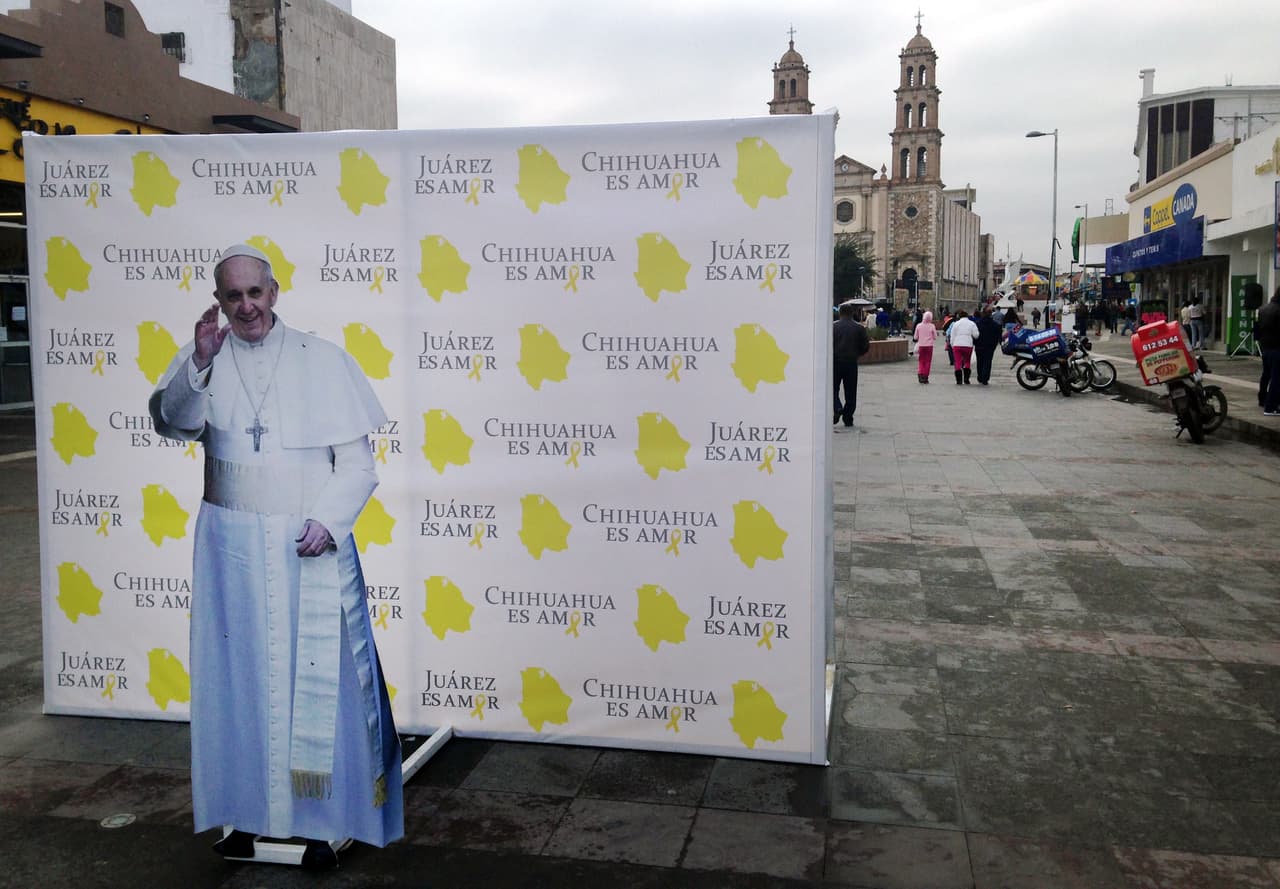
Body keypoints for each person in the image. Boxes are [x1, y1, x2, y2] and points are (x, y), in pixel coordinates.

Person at [149, 245, 403, 869]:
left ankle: (325, 820)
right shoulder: (203, 356)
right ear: (219, 300)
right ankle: (242, 815)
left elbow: (359, 465)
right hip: (229, 550)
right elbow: (170, 422)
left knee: (316, 682)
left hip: (305, 545)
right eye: (232, 296)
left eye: (254, 293)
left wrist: (329, 520)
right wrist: (200, 363)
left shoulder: (322, 359)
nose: (245, 307)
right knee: (235, 678)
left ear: (275, 291)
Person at [832, 303, 870, 427]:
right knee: (850, 391)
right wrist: (857, 354)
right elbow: (865, 346)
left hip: (835, 362)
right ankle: (848, 417)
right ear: (852, 313)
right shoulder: (859, 328)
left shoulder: (832, 327)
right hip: (851, 363)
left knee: (832, 389)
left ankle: (837, 407)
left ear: (840, 313)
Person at [1256, 286, 1280, 416]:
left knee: (1266, 375)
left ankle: (1262, 399)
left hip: (1266, 346)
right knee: (1277, 378)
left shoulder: (1263, 309)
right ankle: (1271, 407)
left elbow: (1258, 328)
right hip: (1277, 347)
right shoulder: (1278, 310)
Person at [946, 310, 979, 384]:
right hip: (968, 345)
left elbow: (952, 336)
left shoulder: (956, 324)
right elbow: (976, 335)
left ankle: (959, 379)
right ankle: (966, 379)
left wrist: (952, 345)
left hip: (957, 345)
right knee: (967, 361)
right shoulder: (972, 324)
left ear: (959, 316)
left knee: (957, 362)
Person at [973, 307, 1002, 385]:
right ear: (990, 314)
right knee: (987, 362)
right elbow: (998, 337)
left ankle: (980, 377)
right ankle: (985, 378)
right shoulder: (996, 325)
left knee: (980, 362)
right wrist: (994, 345)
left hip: (979, 346)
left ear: (983, 313)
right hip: (990, 347)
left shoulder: (977, 324)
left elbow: (974, 335)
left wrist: (975, 343)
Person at [912, 309, 938, 384]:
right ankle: (925, 377)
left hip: (921, 345)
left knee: (921, 361)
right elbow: (935, 337)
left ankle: (920, 374)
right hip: (929, 346)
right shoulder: (932, 326)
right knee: (928, 361)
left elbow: (915, 337)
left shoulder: (919, 325)